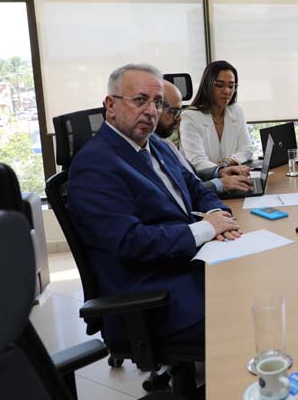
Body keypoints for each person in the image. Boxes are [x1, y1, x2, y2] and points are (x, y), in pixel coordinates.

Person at [68, 63, 241, 347]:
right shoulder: (94, 165)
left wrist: (217, 215)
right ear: (110, 105)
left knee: (261, 279)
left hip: (188, 265)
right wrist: (206, 229)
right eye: (140, 100)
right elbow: (130, 242)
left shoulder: (157, 145)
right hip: (153, 296)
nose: (151, 111)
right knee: (249, 311)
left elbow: (196, 188)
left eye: (158, 103)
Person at [155, 80, 252, 194]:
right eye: (174, 111)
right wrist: (220, 184)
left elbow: (188, 176)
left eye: (231, 86)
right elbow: (176, 192)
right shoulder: (146, 153)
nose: (180, 118)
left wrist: (219, 171)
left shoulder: (164, 144)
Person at [180, 60, 256, 172]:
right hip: (203, 179)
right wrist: (222, 171)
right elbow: (197, 161)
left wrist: (229, 161)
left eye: (231, 86)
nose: (227, 91)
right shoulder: (189, 116)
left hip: (232, 175)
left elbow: (247, 149)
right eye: (219, 85)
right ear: (207, 85)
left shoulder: (237, 111)